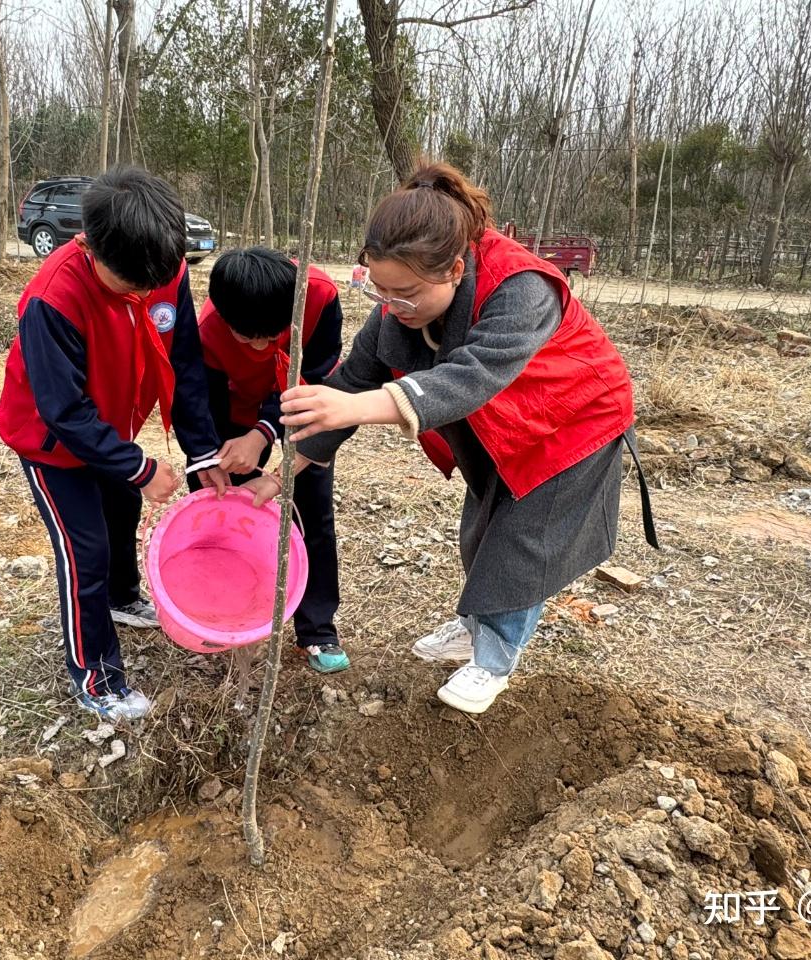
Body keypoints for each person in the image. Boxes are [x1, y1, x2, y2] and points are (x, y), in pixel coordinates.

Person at [248, 161, 657, 715]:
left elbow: (471, 376)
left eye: (407, 293)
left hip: (572, 423)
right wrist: (281, 471)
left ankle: (494, 658)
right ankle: (473, 628)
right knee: (481, 532)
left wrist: (357, 407)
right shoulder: (398, 311)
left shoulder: (522, 288)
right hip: (503, 427)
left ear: (455, 269)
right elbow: (350, 384)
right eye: (382, 292)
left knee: (520, 548)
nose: (393, 308)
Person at [0, 166, 229, 723]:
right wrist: (141, 467)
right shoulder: (53, 299)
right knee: (86, 553)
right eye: (133, 287)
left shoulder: (159, 266)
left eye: (156, 283)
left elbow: (186, 363)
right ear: (91, 244)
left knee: (122, 513)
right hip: (52, 443)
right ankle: (97, 676)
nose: (148, 294)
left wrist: (203, 456)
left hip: (112, 425)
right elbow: (64, 411)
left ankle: (124, 599)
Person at [191, 247, 347, 673]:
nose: (260, 346)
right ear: (225, 320)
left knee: (311, 508)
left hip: (303, 406)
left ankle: (316, 629)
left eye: (271, 335)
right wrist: (216, 456)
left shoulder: (318, 297)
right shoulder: (206, 332)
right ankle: (225, 617)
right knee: (219, 507)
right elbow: (202, 408)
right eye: (247, 337)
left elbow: (318, 379)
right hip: (231, 413)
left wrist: (263, 434)